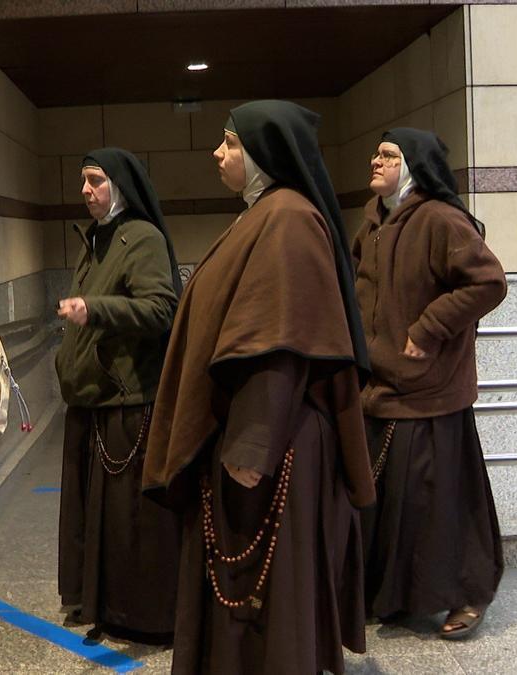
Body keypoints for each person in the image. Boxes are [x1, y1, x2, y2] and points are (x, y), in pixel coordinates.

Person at [142, 100, 375, 674]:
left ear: (263, 152)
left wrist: (252, 448)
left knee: (265, 591)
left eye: (229, 143)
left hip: (271, 444)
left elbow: (282, 342)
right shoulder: (264, 213)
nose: (217, 153)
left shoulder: (287, 219)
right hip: (259, 436)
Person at [352, 128, 507, 640]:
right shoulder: (373, 221)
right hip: (381, 387)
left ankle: (466, 594)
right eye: (376, 153)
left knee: (442, 507)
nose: (376, 161)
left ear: (414, 165)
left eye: (388, 155)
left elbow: (488, 282)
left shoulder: (441, 220)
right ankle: (397, 598)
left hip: (431, 391)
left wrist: (429, 327)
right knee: (395, 508)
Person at [55, 147, 182, 643]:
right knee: (96, 519)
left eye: (95, 181)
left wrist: (96, 309)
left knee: (129, 523)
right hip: (90, 400)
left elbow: (159, 309)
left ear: (121, 187)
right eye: (83, 181)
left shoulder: (141, 238)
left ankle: (140, 613)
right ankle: (100, 602)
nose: (85, 190)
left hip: (126, 403)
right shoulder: (97, 238)